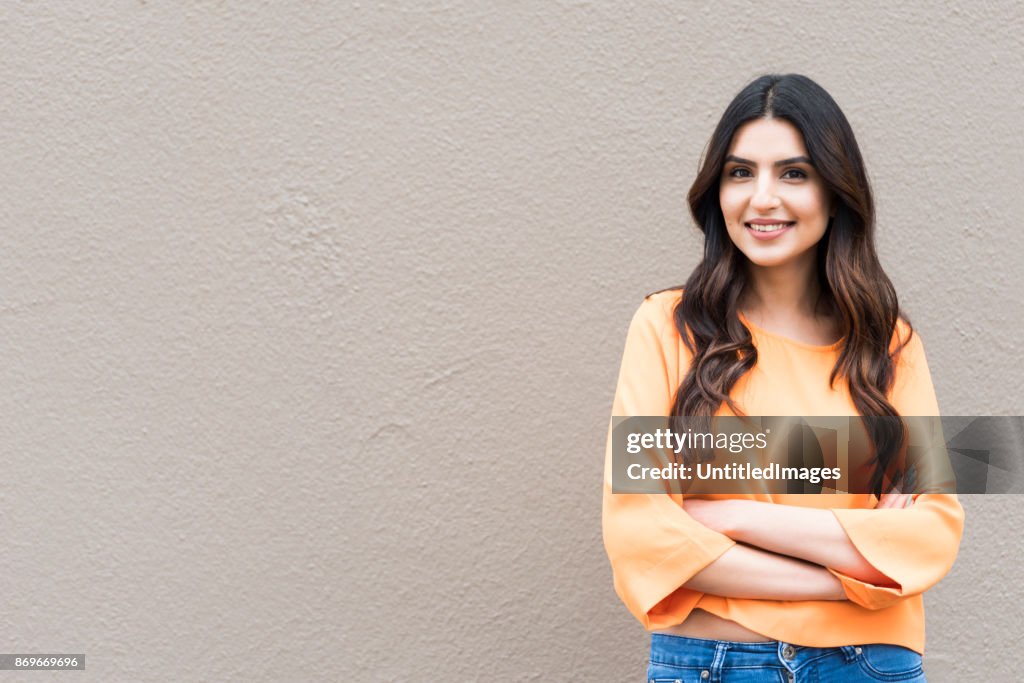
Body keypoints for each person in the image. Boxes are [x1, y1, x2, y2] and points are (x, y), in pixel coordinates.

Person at [602, 74, 964, 683]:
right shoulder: (665, 327)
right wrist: (852, 577)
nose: (762, 198)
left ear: (834, 189)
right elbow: (642, 534)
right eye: (740, 172)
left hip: (868, 666)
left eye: (793, 173)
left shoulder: (890, 342)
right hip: (712, 664)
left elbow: (930, 536)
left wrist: (735, 517)